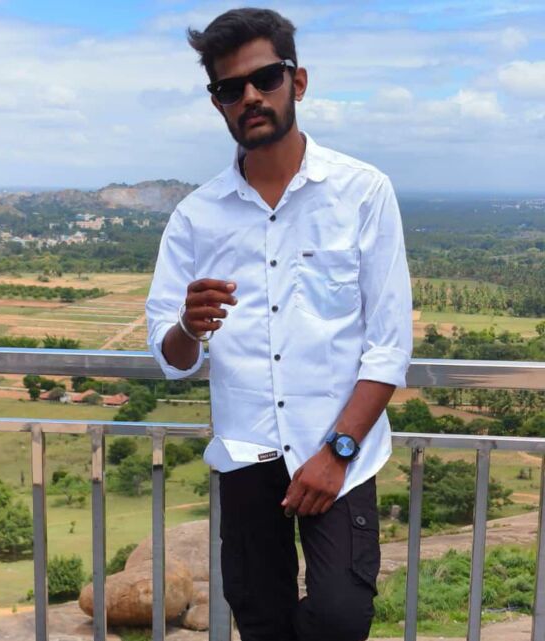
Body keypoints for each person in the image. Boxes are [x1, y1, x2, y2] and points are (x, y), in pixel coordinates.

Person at [145, 7, 412, 641]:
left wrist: (337, 453)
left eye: (265, 78)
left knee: (341, 617)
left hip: (339, 450)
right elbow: (171, 356)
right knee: (261, 620)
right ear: (217, 102)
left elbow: (388, 346)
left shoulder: (362, 192)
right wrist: (188, 326)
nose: (250, 97)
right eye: (229, 87)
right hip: (247, 455)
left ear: (298, 81)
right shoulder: (195, 217)